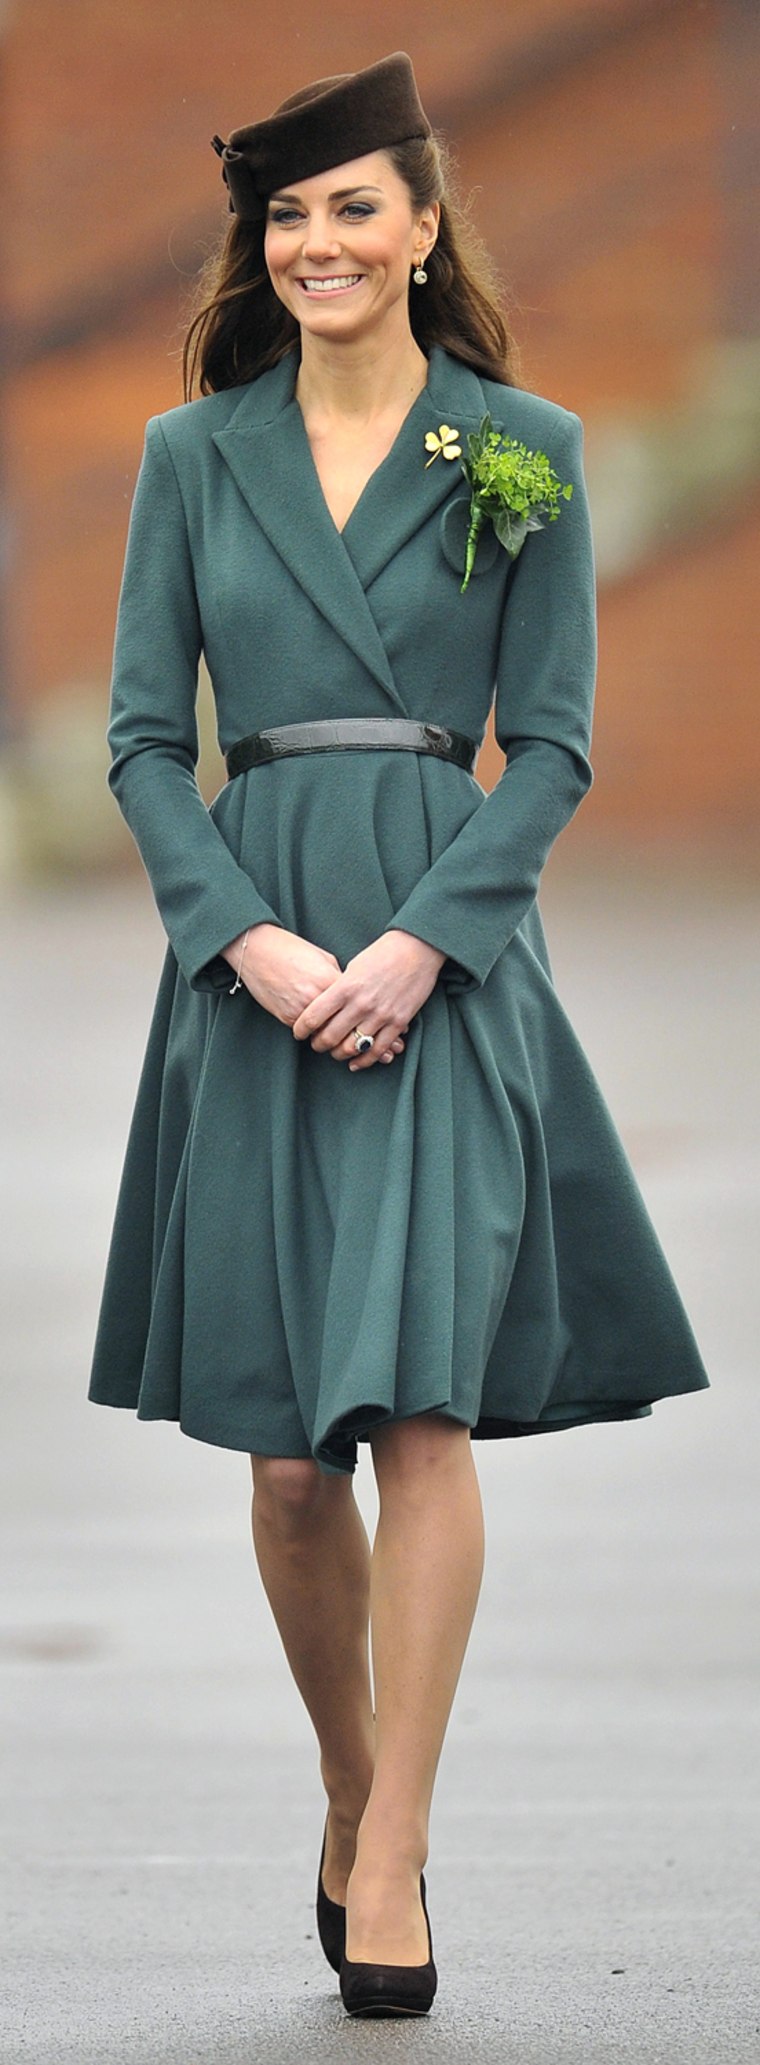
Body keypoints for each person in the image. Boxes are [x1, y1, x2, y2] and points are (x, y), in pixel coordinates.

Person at [88, 50, 710, 2018]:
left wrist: (423, 949)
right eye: (285, 214)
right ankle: (353, 1790)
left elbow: (554, 745)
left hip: (440, 969)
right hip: (256, 970)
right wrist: (247, 944)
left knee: (418, 1407)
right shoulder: (194, 459)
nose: (318, 242)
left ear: (425, 229)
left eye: (355, 207)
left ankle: (391, 1851)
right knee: (285, 1463)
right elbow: (131, 743)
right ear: (258, 248)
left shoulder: (519, 443)